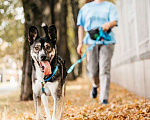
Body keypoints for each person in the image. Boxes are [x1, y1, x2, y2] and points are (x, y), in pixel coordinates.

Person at [77, 0, 118, 104]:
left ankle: (104, 98)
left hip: (107, 41)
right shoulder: (85, 8)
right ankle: (95, 85)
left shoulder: (110, 6)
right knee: (93, 70)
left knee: (104, 69)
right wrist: (80, 43)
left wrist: (108, 24)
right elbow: (81, 26)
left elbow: (115, 21)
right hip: (91, 42)